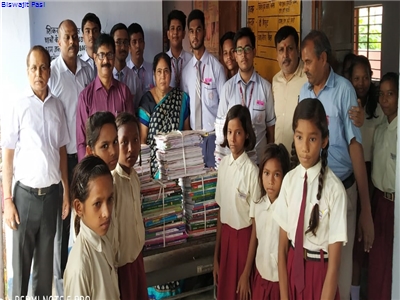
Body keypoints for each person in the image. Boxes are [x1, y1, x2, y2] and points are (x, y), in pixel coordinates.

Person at [299, 30, 374, 300]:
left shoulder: (344, 91)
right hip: (312, 193)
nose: (304, 67)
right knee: (313, 266)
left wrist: (366, 209)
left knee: (340, 270)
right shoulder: (303, 91)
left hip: (342, 190)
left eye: (308, 61)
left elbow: (356, 148)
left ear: (323, 58)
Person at [1, 45, 70, 299]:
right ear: (27, 71)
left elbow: (62, 150)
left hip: (51, 196)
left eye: (43, 67)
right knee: (20, 269)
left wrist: (65, 190)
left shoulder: (57, 106)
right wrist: (7, 200)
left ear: (49, 71)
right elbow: (7, 156)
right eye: (33, 68)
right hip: (24, 198)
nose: (38, 73)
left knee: (44, 270)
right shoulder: (18, 106)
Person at [274, 98, 347, 300]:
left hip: (320, 277)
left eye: (312, 139)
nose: (304, 147)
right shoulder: (288, 181)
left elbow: (335, 264)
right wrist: (284, 296)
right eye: (299, 137)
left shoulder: (335, 190)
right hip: (291, 271)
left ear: (324, 140)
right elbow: (281, 249)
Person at [48, 19, 94, 297]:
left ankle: (83, 271)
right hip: (63, 156)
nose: (73, 42)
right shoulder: (53, 73)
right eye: (67, 37)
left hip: (85, 153)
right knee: (63, 218)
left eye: (75, 37)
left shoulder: (87, 70)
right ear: (59, 41)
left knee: (85, 212)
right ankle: (62, 283)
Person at [213, 105, 260, 300]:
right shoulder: (223, 165)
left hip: (244, 242)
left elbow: (256, 224)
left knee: (241, 293)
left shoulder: (252, 172)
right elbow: (221, 212)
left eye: (238, 133)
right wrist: (216, 256)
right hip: (226, 239)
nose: (232, 139)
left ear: (247, 135)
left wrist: (246, 271)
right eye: (229, 132)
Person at [348, 55, 384, 300]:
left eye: (365, 78)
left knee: (369, 238)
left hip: (373, 174)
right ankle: (353, 292)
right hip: (353, 172)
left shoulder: (378, 106)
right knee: (354, 242)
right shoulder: (346, 102)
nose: (361, 83)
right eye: (356, 78)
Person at [63, 156, 119, 299]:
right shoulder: (79, 268)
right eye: (97, 204)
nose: (106, 213)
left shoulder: (103, 241)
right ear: (79, 207)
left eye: (110, 200)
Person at [217, 27, 275, 164]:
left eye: (247, 49)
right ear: (235, 55)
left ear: (254, 52)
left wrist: (268, 160)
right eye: (239, 50)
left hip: (259, 163)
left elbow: (270, 130)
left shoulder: (265, 88)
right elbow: (221, 130)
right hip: (234, 162)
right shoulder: (227, 88)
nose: (243, 55)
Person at [76, 33, 134, 161]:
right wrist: (89, 172)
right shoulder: (85, 97)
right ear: (95, 58)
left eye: (109, 55)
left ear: (114, 57)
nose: (106, 61)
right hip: (97, 169)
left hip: (121, 165)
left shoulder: (124, 92)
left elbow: (130, 132)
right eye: (101, 55)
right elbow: (81, 142)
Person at [181, 9, 226, 167]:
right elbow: (185, 109)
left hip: (214, 137)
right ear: (188, 35)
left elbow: (224, 107)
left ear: (205, 32)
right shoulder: (186, 72)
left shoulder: (217, 68)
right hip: (193, 137)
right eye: (191, 31)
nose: (195, 35)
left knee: (213, 182)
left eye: (198, 30)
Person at [368, 72, 398, 300]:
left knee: (393, 262)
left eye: (391, 94)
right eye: (382, 94)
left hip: (395, 204)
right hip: (379, 202)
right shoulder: (379, 131)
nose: (385, 99)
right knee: (378, 261)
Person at [113, 112, 149, 300]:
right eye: (124, 142)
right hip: (121, 267)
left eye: (135, 140)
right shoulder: (112, 183)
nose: (130, 148)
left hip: (137, 259)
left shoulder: (134, 176)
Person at [138, 52, 190, 177]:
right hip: (154, 168)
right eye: (159, 72)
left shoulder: (181, 98)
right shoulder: (146, 101)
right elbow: (143, 141)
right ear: (154, 75)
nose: (163, 76)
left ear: (171, 74)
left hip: (178, 165)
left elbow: (186, 132)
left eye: (166, 71)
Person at [252, 143, 290, 300]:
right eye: (266, 173)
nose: (271, 181)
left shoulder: (287, 210)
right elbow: (255, 238)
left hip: (279, 283)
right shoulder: (258, 205)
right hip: (260, 276)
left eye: (276, 175)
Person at [272, 25, 307, 153]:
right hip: (278, 156)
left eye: (290, 49)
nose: (285, 55)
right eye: (281, 50)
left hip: (299, 156)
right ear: (276, 55)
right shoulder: (275, 81)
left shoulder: (308, 80)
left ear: (298, 51)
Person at [110, 23, 143, 111]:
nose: (122, 47)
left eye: (125, 42)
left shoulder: (134, 78)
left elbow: (138, 109)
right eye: (118, 42)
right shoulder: (106, 76)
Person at [166, 9, 192, 88]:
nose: (175, 33)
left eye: (179, 29)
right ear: (168, 34)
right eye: (172, 28)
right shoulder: (163, 60)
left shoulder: (191, 60)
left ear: (184, 34)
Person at [127, 23, 154, 94]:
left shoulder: (152, 69)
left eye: (140, 41)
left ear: (144, 44)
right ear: (129, 47)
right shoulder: (125, 71)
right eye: (134, 42)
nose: (138, 46)